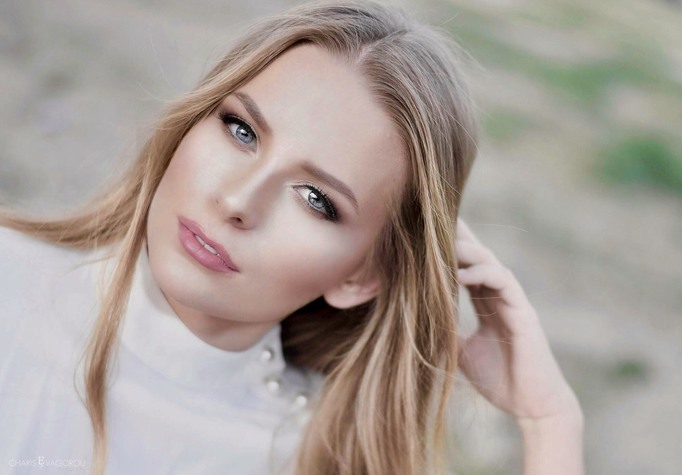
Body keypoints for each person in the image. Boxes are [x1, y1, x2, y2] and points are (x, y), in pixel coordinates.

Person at [0, 1, 584, 474]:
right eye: (241, 130)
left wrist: (550, 421)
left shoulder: (316, 458)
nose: (236, 201)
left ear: (361, 277)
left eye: (315, 199)